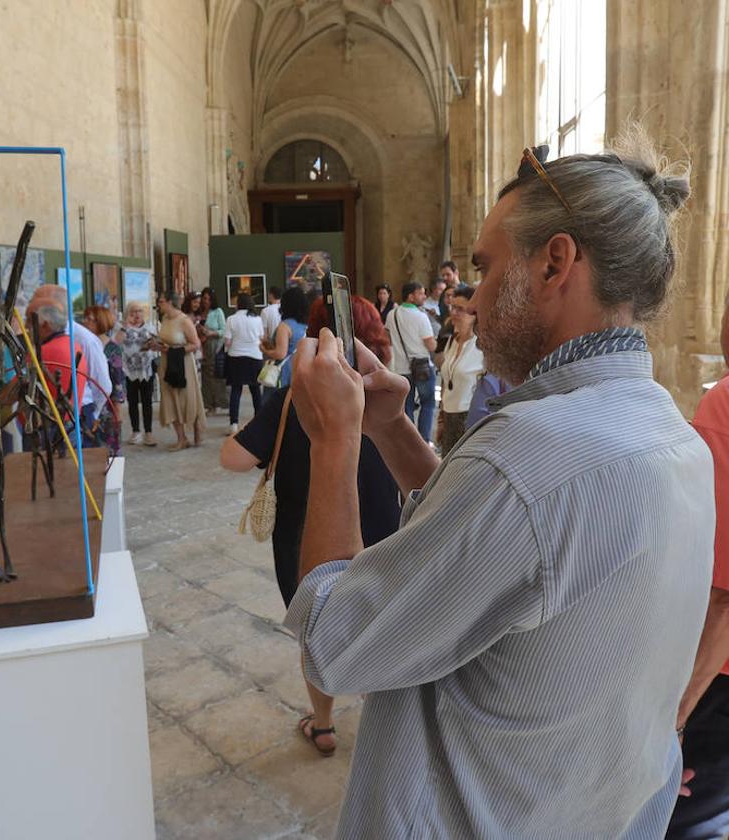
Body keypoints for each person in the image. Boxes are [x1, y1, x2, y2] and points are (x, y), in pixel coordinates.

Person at [284, 137, 709, 837]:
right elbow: (500, 558)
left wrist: (333, 442)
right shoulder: (675, 436)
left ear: (555, 263)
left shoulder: (528, 454)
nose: (472, 297)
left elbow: (333, 645)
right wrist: (392, 432)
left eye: (484, 268)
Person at [221, 293, 400, 759]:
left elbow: (234, 458)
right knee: (375, 626)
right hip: (383, 526)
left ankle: (323, 724)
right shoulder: (385, 388)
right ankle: (380, 721)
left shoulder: (294, 397)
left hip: (308, 530)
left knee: (318, 623)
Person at [667, 299, 729, 839]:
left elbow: (723, 598)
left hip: (717, 681)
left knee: (680, 819)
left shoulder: (726, 406)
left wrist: (674, 721)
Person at [26, 285, 112, 448]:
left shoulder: (84, 339)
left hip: (79, 414)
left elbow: (103, 385)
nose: (32, 304)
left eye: (37, 301)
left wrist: (91, 414)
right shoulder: (38, 337)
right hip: (45, 419)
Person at [385, 281, 437, 442]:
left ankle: (409, 440)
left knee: (406, 406)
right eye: (421, 293)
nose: (424, 296)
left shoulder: (391, 314)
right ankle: (423, 440)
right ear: (411, 296)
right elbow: (431, 345)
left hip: (401, 368)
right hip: (422, 368)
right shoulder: (421, 317)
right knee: (427, 403)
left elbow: (388, 339)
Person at [152, 292, 204, 450]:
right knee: (169, 400)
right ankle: (181, 438)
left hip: (183, 364)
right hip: (167, 363)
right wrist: (157, 344)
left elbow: (196, 344)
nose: (158, 304)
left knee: (185, 399)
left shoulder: (184, 321)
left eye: (161, 301)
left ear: (170, 302)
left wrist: (173, 351)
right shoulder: (165, 319)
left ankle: (196, 431)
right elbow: (166, 338)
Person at [435, 287, 483, 454]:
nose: (453, 313)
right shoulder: (451, 342)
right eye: (452, 307)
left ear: (474, 313)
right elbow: (445, 381)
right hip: (449, 417)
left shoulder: (482, 347)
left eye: (460, 309)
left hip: (469, 419)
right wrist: (441, 421)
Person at [222, 292, 266, 435]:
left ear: (238, 303)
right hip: (255, 357)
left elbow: (227, 342)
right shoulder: (257, 319)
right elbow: (262, 338)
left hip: (236, 357)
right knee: (255, 391)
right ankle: (259, 422)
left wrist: (227, 349)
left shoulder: (231, 319)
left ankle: (233, 424)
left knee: (236, 391)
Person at [83, 305, 124, 456]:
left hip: (107, 407)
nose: (85, 322)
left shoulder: (112, 348)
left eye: (90, 319)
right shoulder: (85, 345)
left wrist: (117, 409)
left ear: (100, 322)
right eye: (85, 318)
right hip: (89, 405)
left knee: (110, 450)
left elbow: (118, 380)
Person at [121, 301, 158, 447]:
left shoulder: (150, 327)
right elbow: (121, 346)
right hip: (130, 371)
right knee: (132, 401)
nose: (137, 314)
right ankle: (136, 431)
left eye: (139, 311)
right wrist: (126, 325)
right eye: (133, 311)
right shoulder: (123, 328)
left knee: (147, 401)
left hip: (146, 369)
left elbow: (157, 345)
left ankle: (148, 432)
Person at [261, 287, 308, 389]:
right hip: (300, 369)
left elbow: (280, 353)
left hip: (283, 373)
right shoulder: (305, 325)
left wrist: (264, 350)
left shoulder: (285, 326)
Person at [197, 288, 227, 415]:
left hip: (214, 346)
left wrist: (210, 333)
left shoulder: (217, 312)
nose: (206, 301)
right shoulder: (199, 312)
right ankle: (207, 403)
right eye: (204, 299)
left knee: (215, 375)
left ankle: (218, 403)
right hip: (201, 346)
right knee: (205, 377)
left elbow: (223, 331)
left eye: (208, 299)